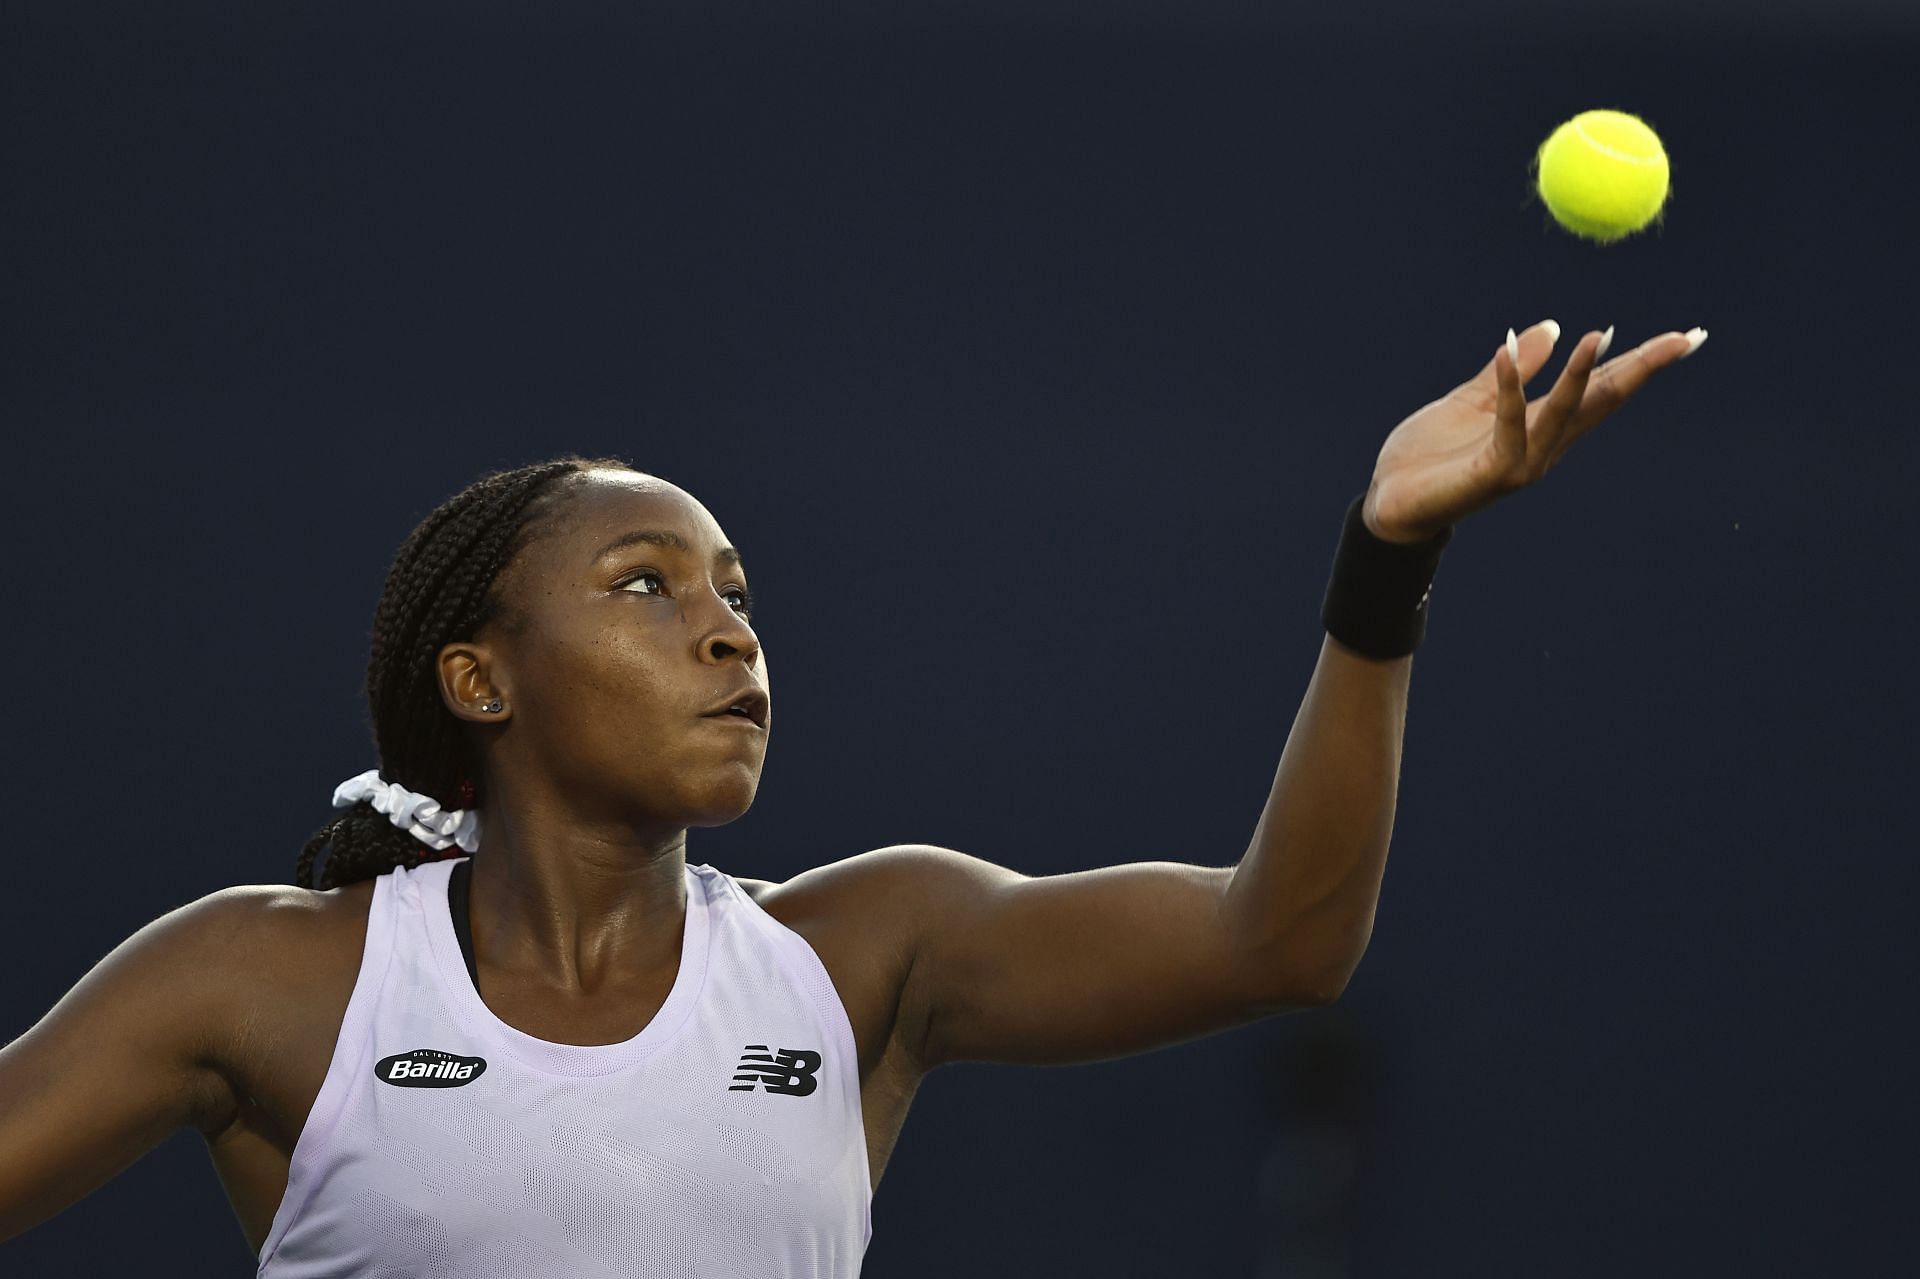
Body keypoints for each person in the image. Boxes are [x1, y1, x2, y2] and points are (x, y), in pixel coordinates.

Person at [0, 321, 1705, 1275]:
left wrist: (1387, 559)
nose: (728, 630)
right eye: (647, 588)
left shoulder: (868, 949)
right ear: (480, 679)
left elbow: (1284, 938)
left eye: (737, 591)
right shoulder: (271, 979)